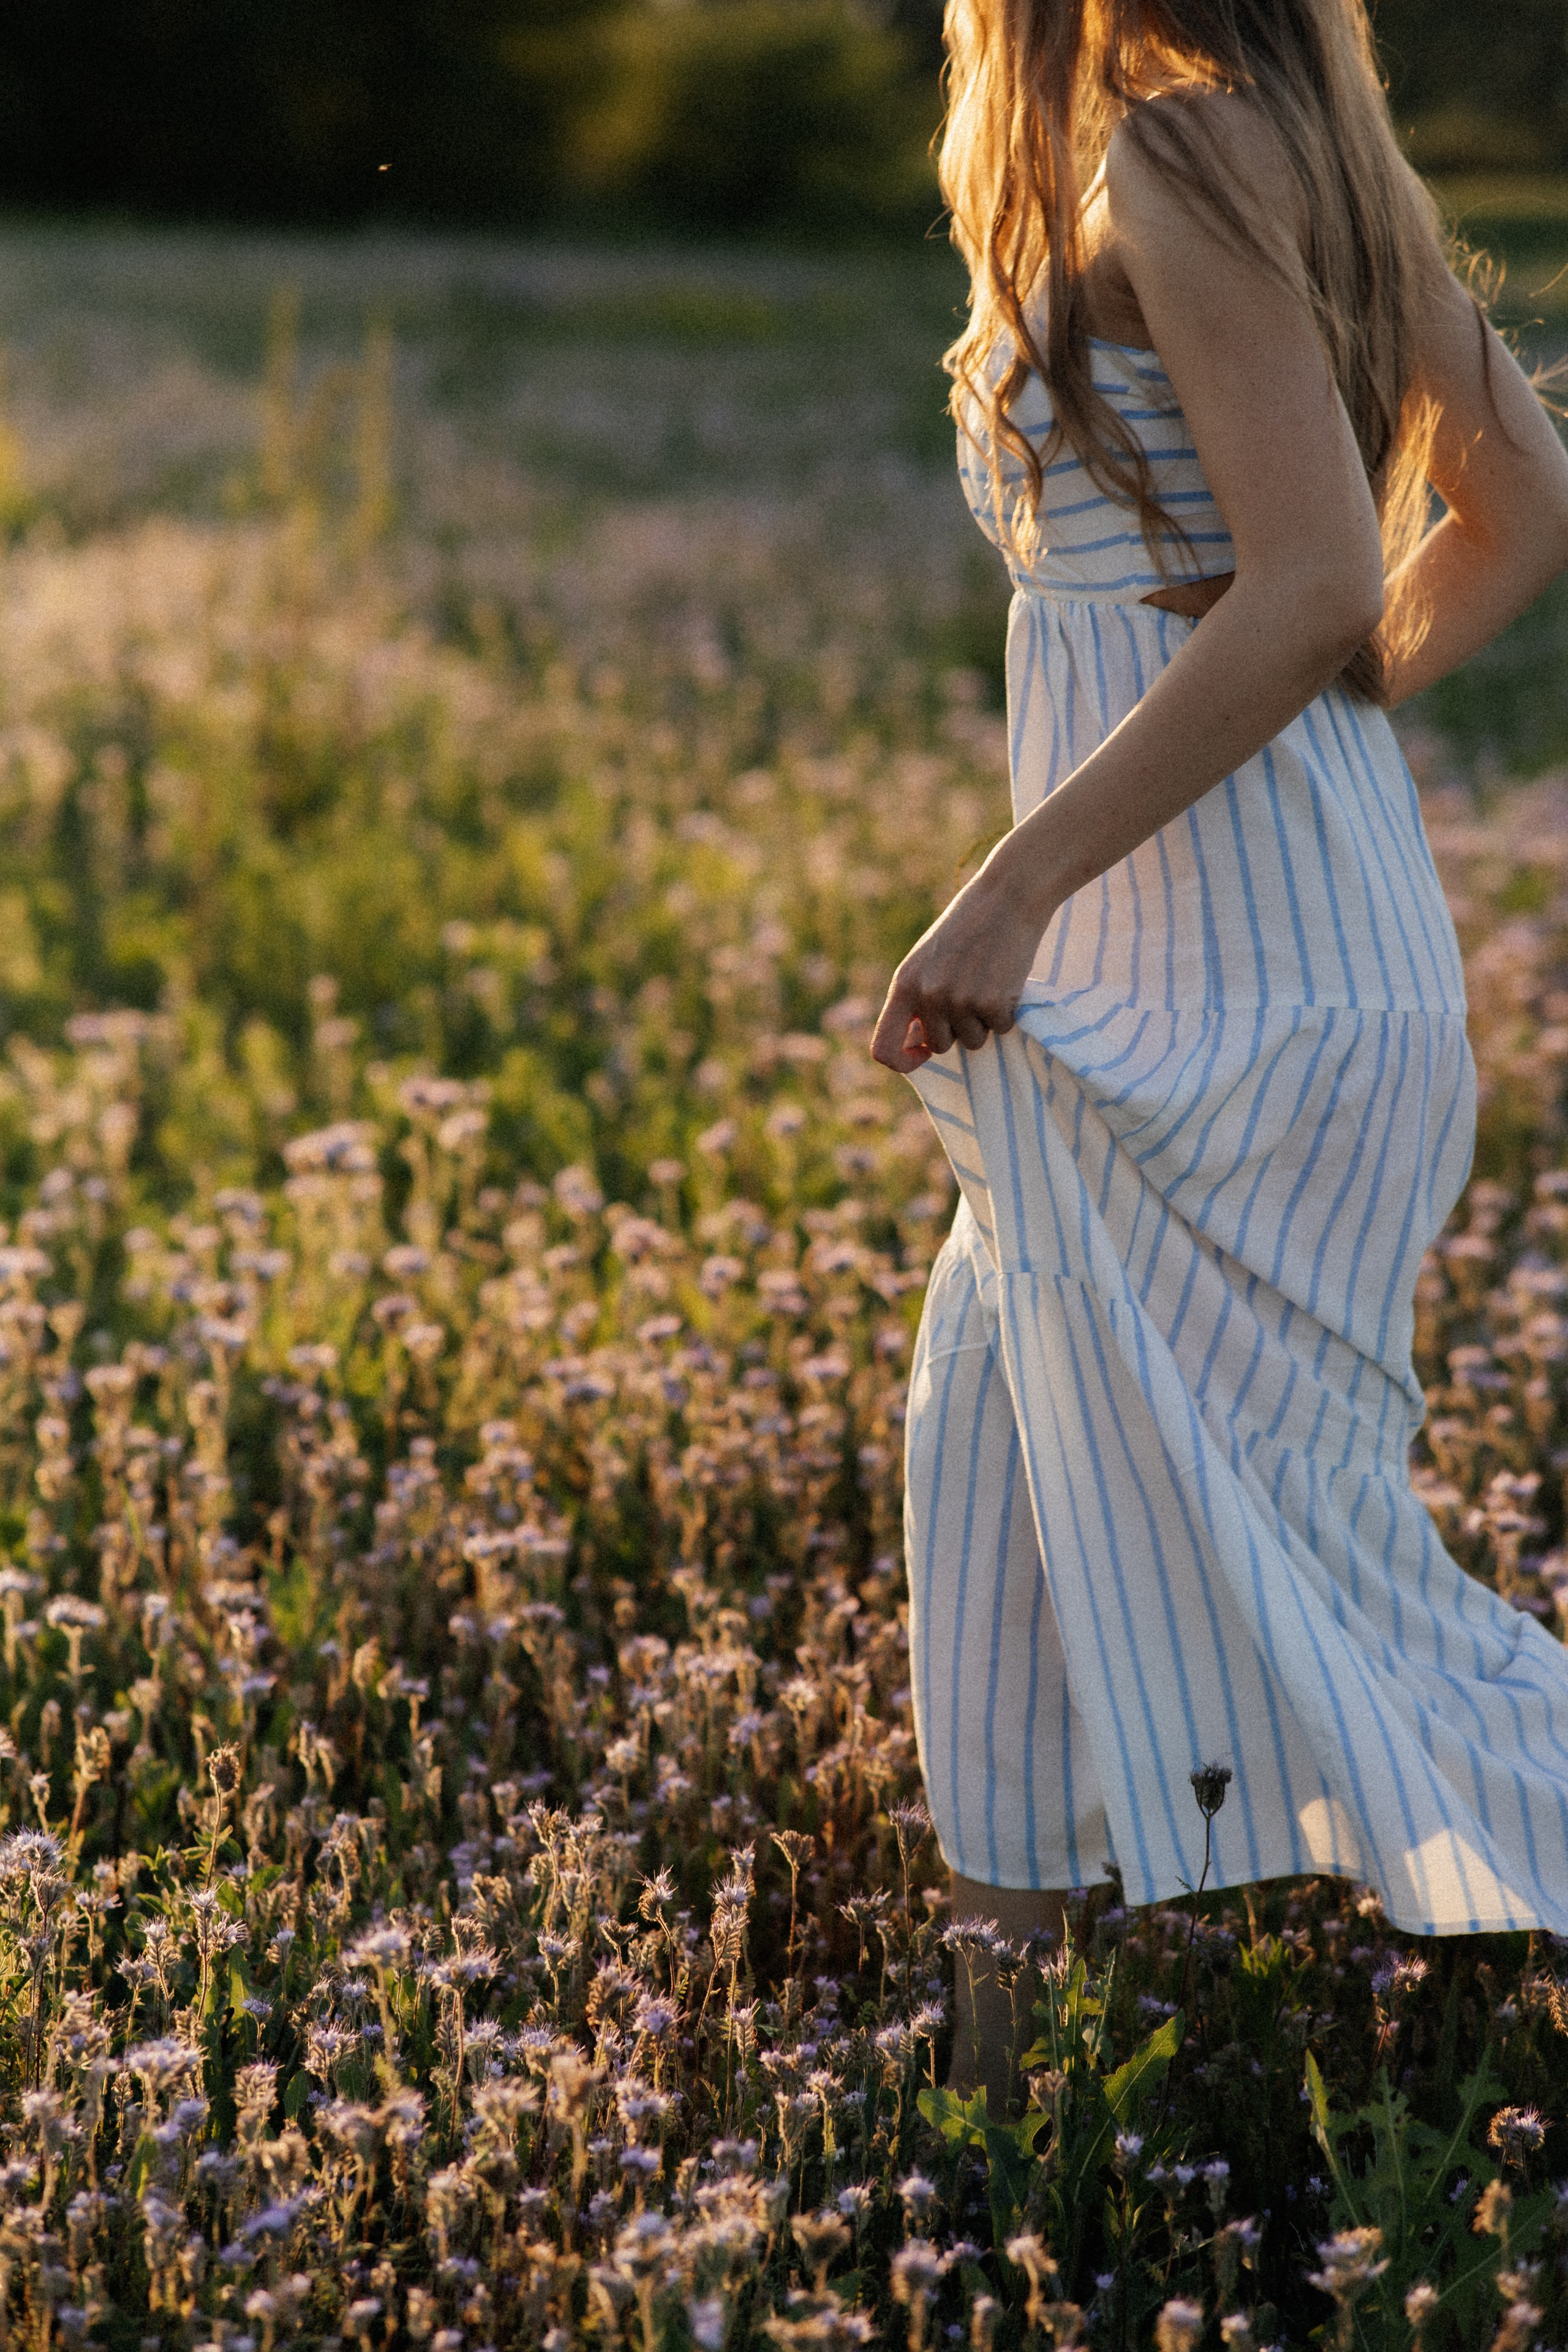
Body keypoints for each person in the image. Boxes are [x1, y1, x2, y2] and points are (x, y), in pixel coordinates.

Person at [872, 0, 1568, 2111]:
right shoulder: (1312, 141)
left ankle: (1006, 2091)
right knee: (990, 1443)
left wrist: (1014, 883)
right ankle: (991, 2099)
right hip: (1265, 935)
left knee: (1326, 1560)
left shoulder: (1184, 155)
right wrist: (1331, 733)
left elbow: (1315, 580)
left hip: (1220, 976)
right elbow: (1522, 503)